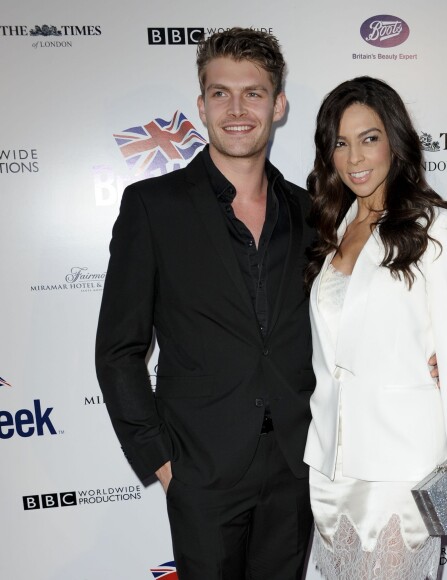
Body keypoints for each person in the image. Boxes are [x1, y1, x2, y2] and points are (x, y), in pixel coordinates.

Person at [95, 28, 316, 580]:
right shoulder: (154, 207)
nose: (237, 109)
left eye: (254, 93)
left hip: (297, 464)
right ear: (201, 105)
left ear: (279, 104)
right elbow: (118, 349)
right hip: (201, 467)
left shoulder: (311, 212)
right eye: (221, 93)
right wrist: (163, 462)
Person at [303, 77, 447, 579]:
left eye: (368, 138)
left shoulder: (434, 225)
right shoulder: (336, 226)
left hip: (401, 463)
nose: (354, 157)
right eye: (340, 143)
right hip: (331, 464)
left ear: (394, 140)